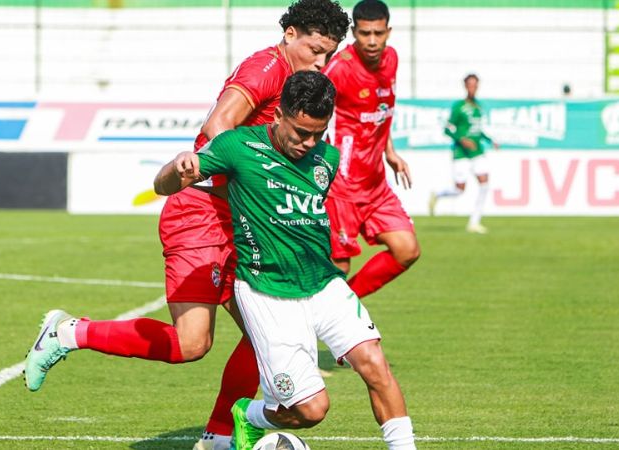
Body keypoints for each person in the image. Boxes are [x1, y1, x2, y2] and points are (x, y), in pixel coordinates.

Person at [23, 3, 350, 450]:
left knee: (265, 334)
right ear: (290, 33)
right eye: (315, 50)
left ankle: (219, 436)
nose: (320, 63)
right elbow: (217, 125)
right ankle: (67, 333)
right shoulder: (266, 67)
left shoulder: (293, 83)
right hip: (201, 212)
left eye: (328, 55)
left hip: (239, 219)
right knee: (191, 344)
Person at [154, 71, 417, 450]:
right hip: (268, 294)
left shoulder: (327, 158)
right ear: (278, 115)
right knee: (311, 411)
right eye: (300, 133)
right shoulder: (236, 147)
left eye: (318, 134)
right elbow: (163, 186)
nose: (309, 144)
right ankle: (250, 414)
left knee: (376, 365)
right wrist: (176, 168)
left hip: (323, 285)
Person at [322, 0, 420, 300]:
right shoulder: (339, 69)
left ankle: (341, 311)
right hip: (343, 186)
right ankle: (323, 323)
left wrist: (389, 151)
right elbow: (306, 110)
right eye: (365, 33)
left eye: (378, 33)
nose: (373, 41)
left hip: (376, 183)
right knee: (338, 265)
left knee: (407, 250)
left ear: (388, 31)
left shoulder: (391, 59)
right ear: (354, 32)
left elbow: (381, 110)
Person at [429, 73, 499, 234]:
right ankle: (438, 194)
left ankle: (474, 222)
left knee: (484, 184)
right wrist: (461, 139)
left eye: (475, 85)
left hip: (477, 152)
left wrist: (490, 140)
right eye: (470, 85)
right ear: (465, 86)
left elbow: (477, 130)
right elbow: (447, 129)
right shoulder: (458, 107)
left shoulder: (479, 107)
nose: (473, 88)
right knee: (460, 189)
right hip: (460, 152)